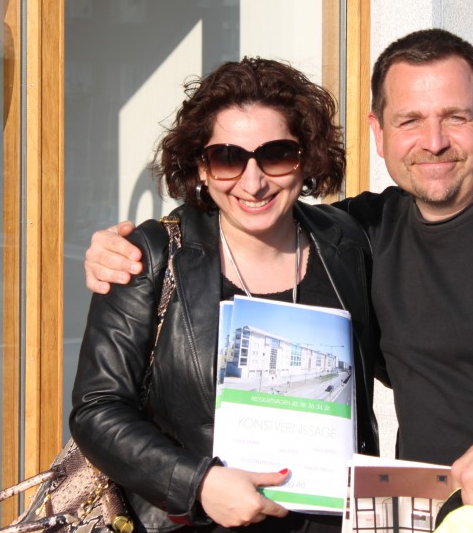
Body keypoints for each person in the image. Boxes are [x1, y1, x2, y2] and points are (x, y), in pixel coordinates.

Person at [85, 28, 473, 532]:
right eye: (410, 120)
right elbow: (255, 214)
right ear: (379, 133)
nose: (434, 142)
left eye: (455, 117)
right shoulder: (365, 231)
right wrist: (124, 248)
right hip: (425, 516)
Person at [70, 57, 380, 533]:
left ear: (306, 159)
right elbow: (97, 409)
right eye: (228, 158)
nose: (253, 183)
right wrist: (198, 484)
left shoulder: (345, 244)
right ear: (201, 166)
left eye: (277, 154)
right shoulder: (150, 256)